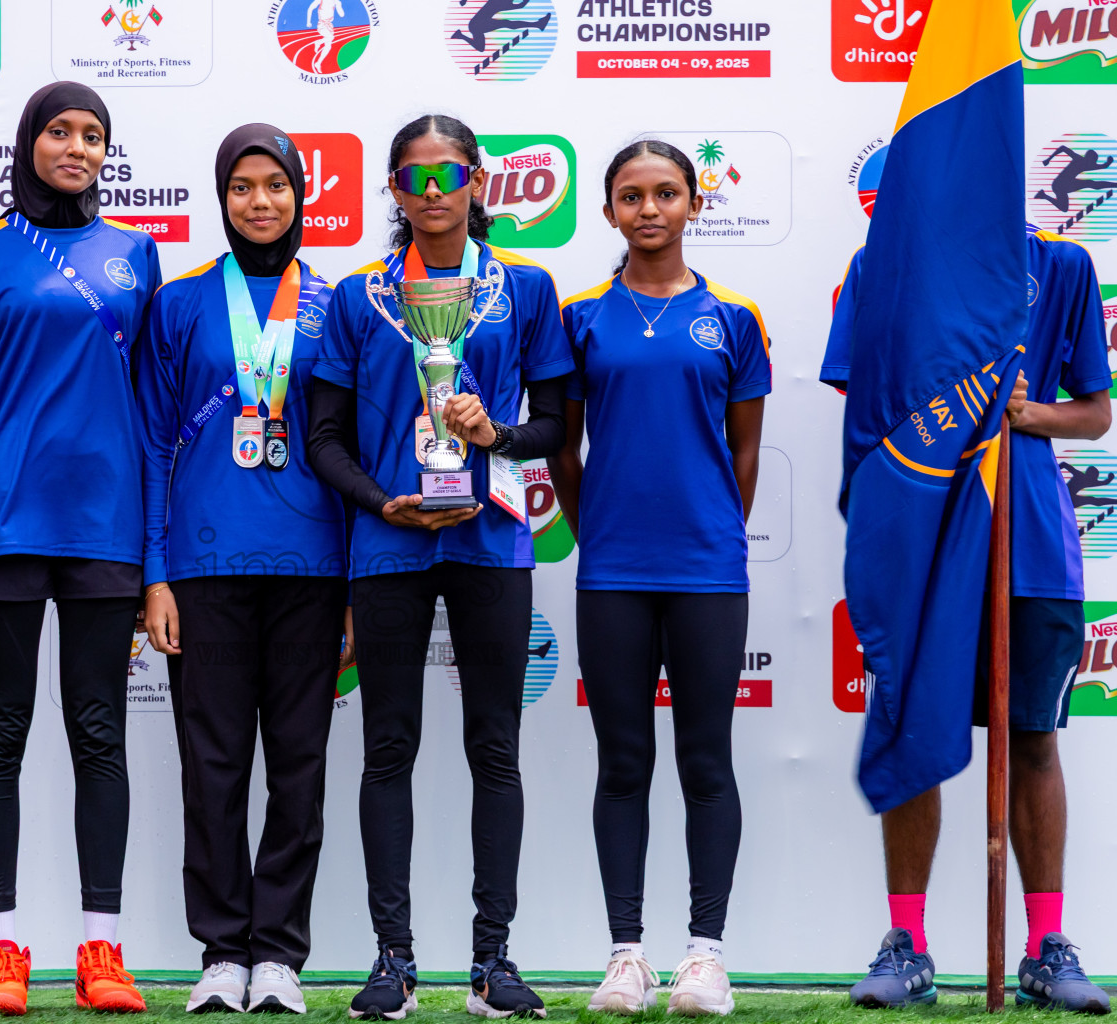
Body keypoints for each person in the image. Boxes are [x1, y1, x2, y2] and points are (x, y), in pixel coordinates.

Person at [308, 114, 573, 1021]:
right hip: (390, 543)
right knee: (388, 747)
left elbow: (554, 426)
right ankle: (394, 961)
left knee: (494, 747)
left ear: (477, 182)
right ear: (392, 188)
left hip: (492, 538)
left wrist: (494, 434)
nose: (432, 193)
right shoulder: (359, 296)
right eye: (414, 178)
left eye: (448, 175)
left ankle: (492, 962)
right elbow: (325, 438)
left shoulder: (524, 289)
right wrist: (383, 502)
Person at [822, 225, 1112, 1015]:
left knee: (1034, 741)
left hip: (1031, 545)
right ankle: (907, 945)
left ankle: (1046, 948)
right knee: (910, 733)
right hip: (922, 540)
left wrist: (1027, 412)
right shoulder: (881, 263)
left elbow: (1094, 414)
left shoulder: (1061, 262)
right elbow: (864, 403)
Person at [0, 81, 159, 1017]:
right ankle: (0, 952)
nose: (77, 148)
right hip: (5, 532)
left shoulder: (135, 255)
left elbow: (152, 415)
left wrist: (155, 560)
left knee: (99, 735)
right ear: (27, 145)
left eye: (93, 135)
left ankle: (102, 949)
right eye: (59, 131)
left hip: (106, 532)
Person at [547, 140, 769, 1018]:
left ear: (693, 205)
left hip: (707, 570)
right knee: (624, 762)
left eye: (667, 193)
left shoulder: (735, 317)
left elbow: (744, 450)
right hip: (612, 570)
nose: (649, 210)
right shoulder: (580, 317)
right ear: (608, 211)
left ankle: (706, 957)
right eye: (632, 196)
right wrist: (595, 528)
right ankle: (627, 957)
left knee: (706, 759)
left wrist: (711, 529)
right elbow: (563, 448)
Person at [138, 124, 349, 1016]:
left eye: (276, 185)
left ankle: (280, 956)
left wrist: (354, 587)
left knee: (299, 766)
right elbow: (153, 443)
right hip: (204, 569)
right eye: (241, 187)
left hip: (315, 571)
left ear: (300, 194)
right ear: (222, 198)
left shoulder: (339, 303)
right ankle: (223, 951)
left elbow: (351, 447)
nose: (260, 202)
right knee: (213, 765)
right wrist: (155, 574)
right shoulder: (180, 303)